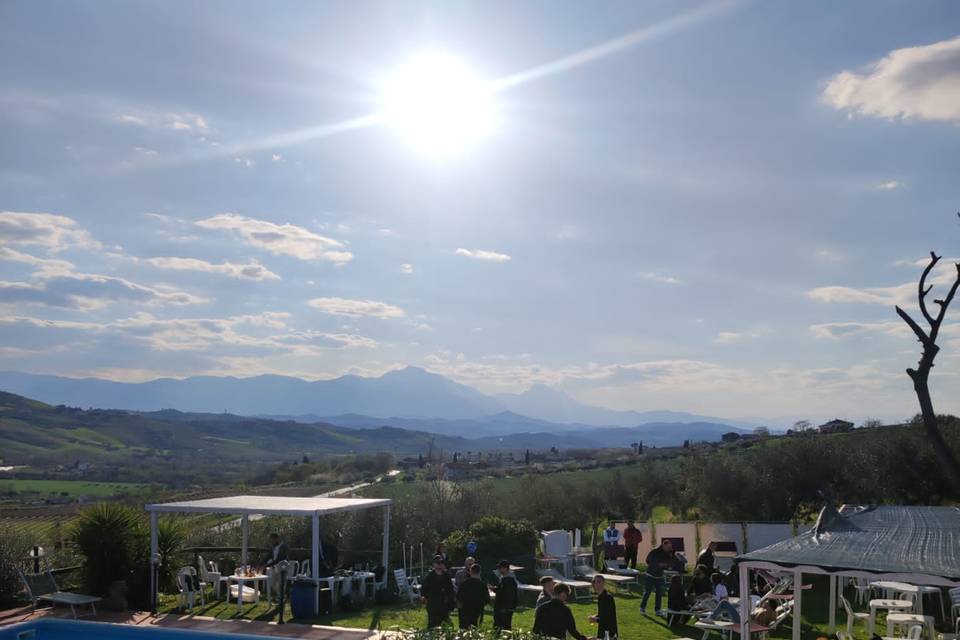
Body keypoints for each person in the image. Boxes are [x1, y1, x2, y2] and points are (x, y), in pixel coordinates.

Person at [640, 538, 672, 616]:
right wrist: (659, 565)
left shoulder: (668, 553)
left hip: (659, 576)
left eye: (669, 547)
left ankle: (657, 610)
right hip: (650, 575)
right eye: (668, 547)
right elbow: (648, 561)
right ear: (663, 545)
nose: (669, 548)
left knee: (659, 594)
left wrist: (665, 565)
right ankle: (642, 608)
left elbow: (668, 564)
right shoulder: (654, 552)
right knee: (647, 592)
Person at [420, 555, 455, 628]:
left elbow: (450, 589)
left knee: (445, 623)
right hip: (433, 603)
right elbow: (424, 588)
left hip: (444, 603)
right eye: (437, 563)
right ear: (433, 564)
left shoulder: (446, 575)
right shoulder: (430, 576)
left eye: (441, 563)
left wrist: (451, 601)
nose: (439, 564)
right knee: (433, 624)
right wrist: (424, 597)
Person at [456, 563, 489, 629]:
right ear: (480, 572)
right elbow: (487, 600)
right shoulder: (482, 585)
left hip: (465, 611)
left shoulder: (464, 584)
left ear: (470, 571)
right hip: (478, 611)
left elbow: (458, 597)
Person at [590, 575, 618, 639]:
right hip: (604, 630)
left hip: (609, 632)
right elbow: (603, 614)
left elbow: (609, 617)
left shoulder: (607, 597)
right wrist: (595, 617)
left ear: (603, 583)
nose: (596, 584)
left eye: (599, 581)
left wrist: (596, 620)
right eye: (594, 582)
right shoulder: (601, 597)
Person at [493, 560, 519, 631]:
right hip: (504, 607)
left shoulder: (508, 579)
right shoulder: (505, 578)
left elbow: (508, 595)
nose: (498, 570)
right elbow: (502, 591)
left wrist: (505, 607)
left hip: (504, 608)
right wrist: (495, 589)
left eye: (499, 568)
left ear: (505, 568)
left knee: (504, 627)